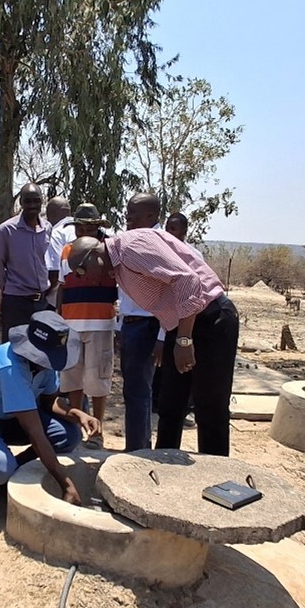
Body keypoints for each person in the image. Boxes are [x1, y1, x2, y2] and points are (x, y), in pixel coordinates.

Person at [67, 227, 239, 456]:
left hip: (209, 320)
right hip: (179, 325)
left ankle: (218, 476)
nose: (83, 278)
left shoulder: (131, 248)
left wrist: (184, 340)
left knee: (209, 406)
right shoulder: (118, 267)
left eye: (81, 270)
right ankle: (165, 466)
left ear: (96, 254)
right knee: (170, 405)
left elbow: (187, 281)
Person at [0, 311, 99, 511]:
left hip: (6, 417)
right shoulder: (9, 367)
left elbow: (49, 402)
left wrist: (76, 414)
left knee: (67, 435)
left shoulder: (46, 363)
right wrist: (66, 484)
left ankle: (12, 472)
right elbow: (34, 431)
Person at [57, 204, 117, 447]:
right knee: (73, 379)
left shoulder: (110, 250)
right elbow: (62, 285)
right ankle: (75, 429)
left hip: (100, 323)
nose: (83, 230)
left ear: (97, 227)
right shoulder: (67, 250)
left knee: (98, 380)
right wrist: (58, 317)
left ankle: (97, 432)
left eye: (89, 226)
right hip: (71, 323)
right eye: (79, 226)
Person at [115, 193, 164, 452]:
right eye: (127, 211)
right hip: (133, 324)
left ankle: (137, 452)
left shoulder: (154, 245)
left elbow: (169, 293)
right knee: (135, 391)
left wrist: (162, 337)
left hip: (147, 326)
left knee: (138, 393)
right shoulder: (137, 241)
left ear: (151, 216)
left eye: (133, 212)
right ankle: (138, 446)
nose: (128, 217)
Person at [0, 183, 54, 335]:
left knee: (39, 349)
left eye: (36, 200)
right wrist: (8, 287)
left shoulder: (47, 228)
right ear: (21, 202)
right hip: (16, 301)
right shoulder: (6, 230)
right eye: (28, 201)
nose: (32, 205)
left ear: (42, 201)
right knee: (14, 347)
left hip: (41, 301)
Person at [44, 196, 73, 307]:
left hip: (58, 301)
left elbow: (53, 272)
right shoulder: (85, 229)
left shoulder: (55, 234)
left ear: (52, 213)